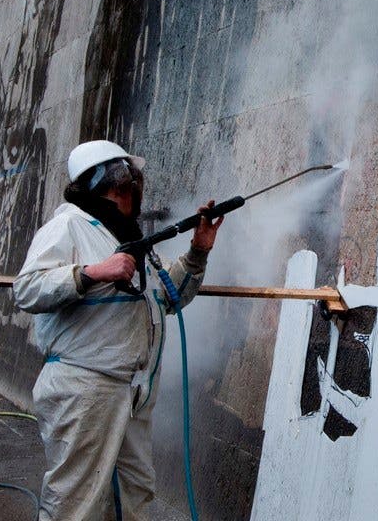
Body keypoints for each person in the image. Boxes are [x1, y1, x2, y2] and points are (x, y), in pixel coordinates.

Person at [14, 140, 223, 520]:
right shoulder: (70, 225)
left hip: (130, 391)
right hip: (86, 390)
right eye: (130, 183)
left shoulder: (124, 237)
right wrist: (93, 273)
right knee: (77, 502)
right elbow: (27, 288)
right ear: (113, 184)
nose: (137, 191)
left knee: (133, 495)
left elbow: (167, 297)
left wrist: (197, 252)